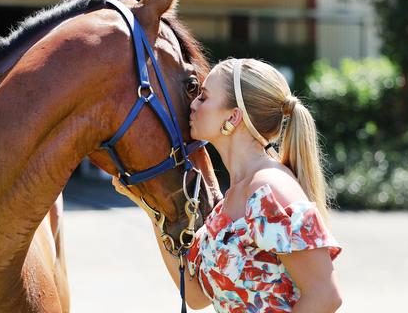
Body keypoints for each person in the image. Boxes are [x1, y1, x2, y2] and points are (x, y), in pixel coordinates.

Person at [112, 58, 343, 312]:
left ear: (233, 117)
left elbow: (325, 296)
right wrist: (149, 207)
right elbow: (196, 296)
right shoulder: (230, 200)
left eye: (204, 97)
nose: (193, 104)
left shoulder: (269, 190)